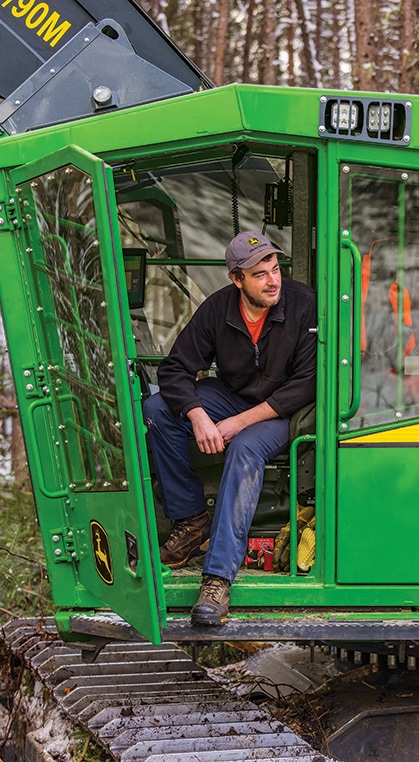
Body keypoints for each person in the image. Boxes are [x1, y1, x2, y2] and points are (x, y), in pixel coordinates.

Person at [142, 231, 316, 626]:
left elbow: (306, 383)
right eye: (260, 274)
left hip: (284, 412)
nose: (273, 281)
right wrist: (196, 414)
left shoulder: (303, 304)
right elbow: (174, 368)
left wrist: (237, 423)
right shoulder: (218, 309)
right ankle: (189, 521)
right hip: (234, 397)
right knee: (157, 407)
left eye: (275, 269)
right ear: (237, 280)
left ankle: (218, 579)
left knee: (244, 448)